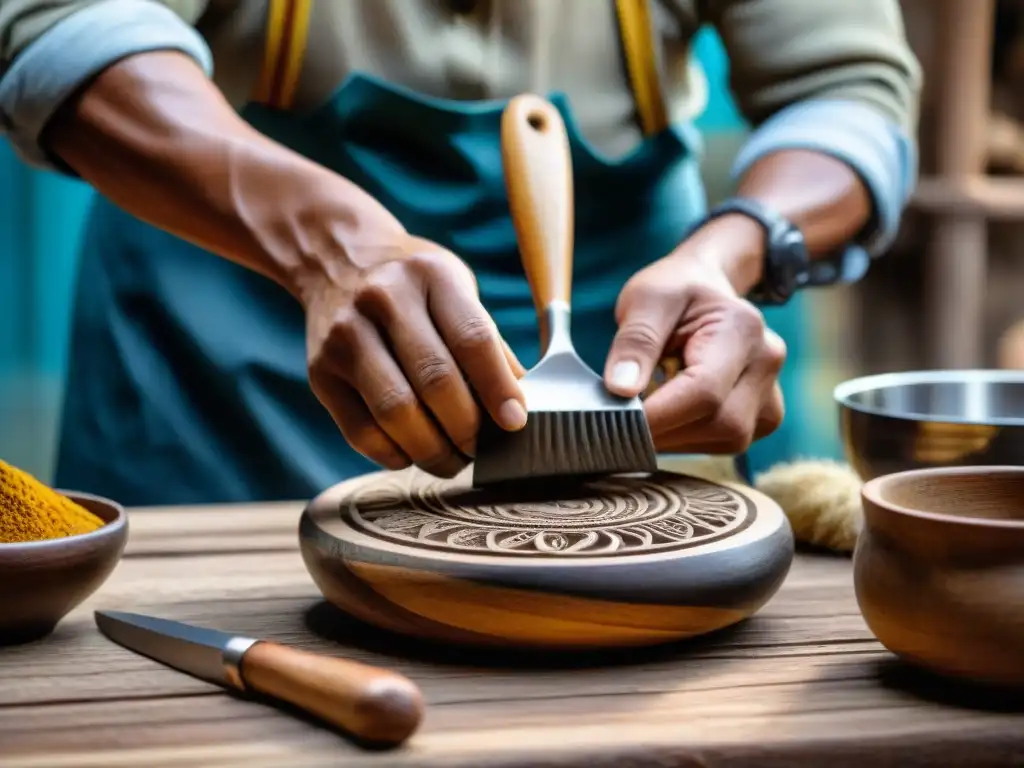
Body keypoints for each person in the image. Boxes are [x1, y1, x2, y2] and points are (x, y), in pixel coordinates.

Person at [0, 0, 921, 507]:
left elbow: (844, 90)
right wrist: (328, 247)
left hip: (624, 406)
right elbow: (63, 29)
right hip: (212, 391)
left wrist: (736, 250)